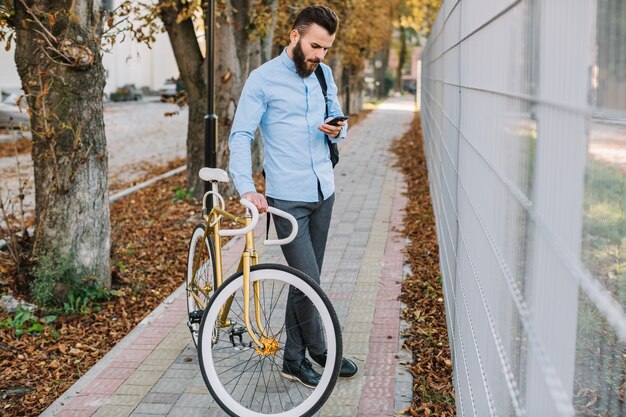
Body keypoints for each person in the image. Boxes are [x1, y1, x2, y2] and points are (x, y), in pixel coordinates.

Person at [228, 5, 358, 388]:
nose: (320, 55)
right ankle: (316, 350)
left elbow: (338, 115)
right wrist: (247, 188)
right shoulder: (263, 79)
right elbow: (240, 135)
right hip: (286, 198)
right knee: (309, 282)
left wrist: (337, 130)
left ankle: (297, 358)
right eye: (315, 46)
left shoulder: (324, 75)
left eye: (326, 49)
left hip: (324, 191)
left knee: (306, 280)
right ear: (294, 36)